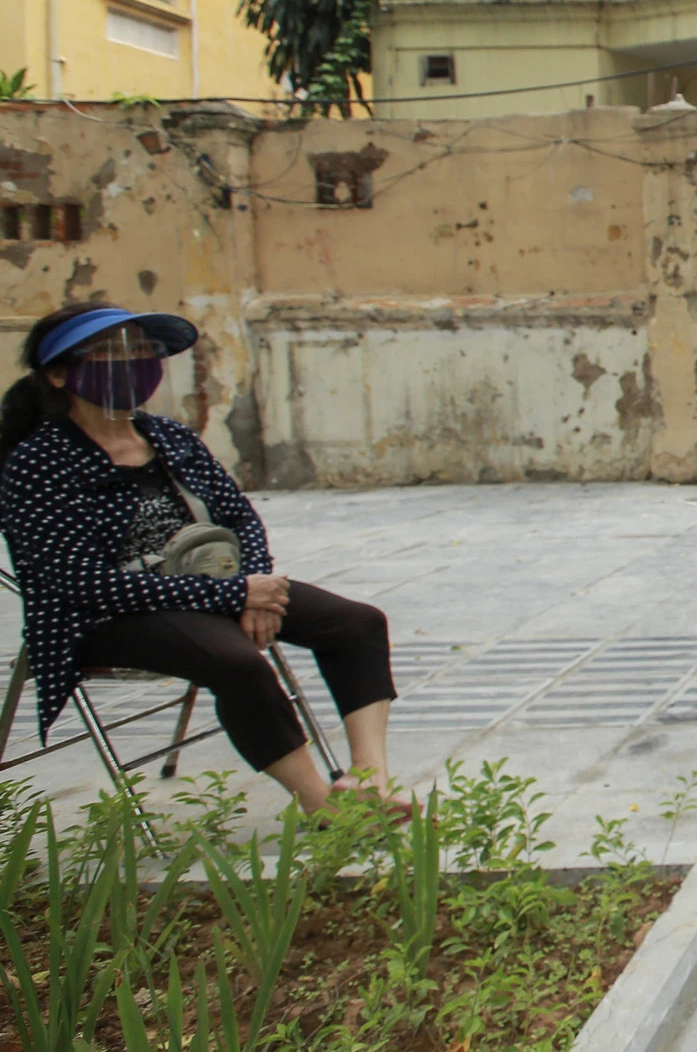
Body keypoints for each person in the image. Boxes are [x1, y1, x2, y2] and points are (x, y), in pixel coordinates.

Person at [0, 304, 402, 815]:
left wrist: (256, 585)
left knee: (356, 623)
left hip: (208, 585)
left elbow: (240, 518)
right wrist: (236, 595)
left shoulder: (168, 437)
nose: (133, 363)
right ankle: (321, 807)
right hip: (102, 618)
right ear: (58, 374)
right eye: (111, 353)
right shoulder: (39, 462)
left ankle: (371, 779)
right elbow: (85, 583)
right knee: (234, 659)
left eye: (143, 351)